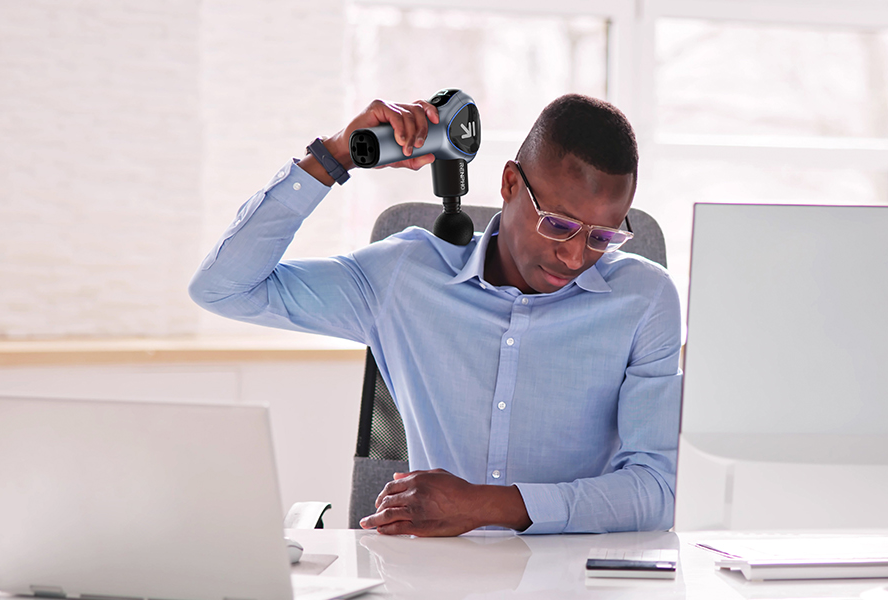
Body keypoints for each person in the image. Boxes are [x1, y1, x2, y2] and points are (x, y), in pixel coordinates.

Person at [189, 94, 681, 536]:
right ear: (510, 183)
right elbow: (225, 289)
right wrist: (334, 155)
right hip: (430, 579)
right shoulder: (402, 277)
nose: (575, 257)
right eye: (558, 224)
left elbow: (654, 492)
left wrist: (489, 506)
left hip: (573, 582)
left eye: (603, 236)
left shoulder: (644, 300)